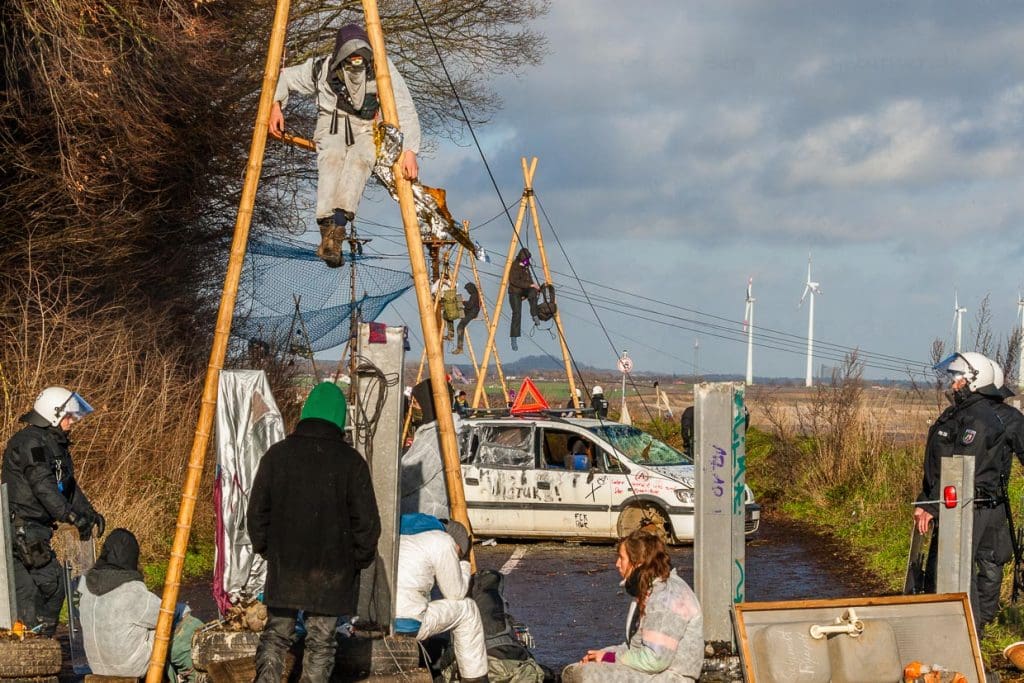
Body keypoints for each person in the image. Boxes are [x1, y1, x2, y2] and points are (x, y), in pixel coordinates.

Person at [248, 382, 382, 682]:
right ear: (339, 419)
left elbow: (256, 515)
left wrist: (270, 551)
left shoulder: (276, 456)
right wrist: (354, 562)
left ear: (307, 412)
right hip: (332, 573)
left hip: (286, 569)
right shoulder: (352, 463)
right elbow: (368, 526)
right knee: (321, 642)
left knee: (276, 635)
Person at [270, 23, 420, 267]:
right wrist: (276, 105)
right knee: (332, 158)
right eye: (351, 56)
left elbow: (404, 107)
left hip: (366, 126)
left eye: (361, 55)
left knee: (360, 161)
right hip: (332, 123)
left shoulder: (382, 68)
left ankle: (337, 232)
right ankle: (326, 232)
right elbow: (284, 76)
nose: (356, 61)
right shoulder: (322, 68)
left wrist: (410, 150)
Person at [914, 352, 1009, 635]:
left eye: (957, 377)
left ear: (973, 381)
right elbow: (937, 464)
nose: (952, 383)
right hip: (951, 502)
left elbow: (960, 467)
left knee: (959, 573)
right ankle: (946, 630)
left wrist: (931, 506)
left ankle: (969, 638)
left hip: (968, 505)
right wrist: (926, 500)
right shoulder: (958, 413)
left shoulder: (978, 421)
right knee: (944, 570)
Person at [1, 386, 104, 635]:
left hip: (35, 530)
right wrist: (69, 516)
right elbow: (43, 486)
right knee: (53, 583)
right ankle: (39, 640)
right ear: (53, 415)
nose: (72, 422)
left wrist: (89, 513)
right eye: (69, 416)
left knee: (30, 592)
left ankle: (30, 641)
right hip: (21, 528)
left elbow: (67, 486)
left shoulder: (54, 445)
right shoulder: (30, 444)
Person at [562, 530, 703, 682]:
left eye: (621, 558)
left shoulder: (666, 597)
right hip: (654, 672)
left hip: (671, 677)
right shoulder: (649, 590)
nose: (617, 564)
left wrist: (610, 657)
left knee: (585, 675)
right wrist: (602, 655)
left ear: (638, 563)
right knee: (573, 670)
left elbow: (655, 660)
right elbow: (635, 647)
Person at [78, 528, 203, 679]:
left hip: (97, 667)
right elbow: (166, 613)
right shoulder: (131, 591)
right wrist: (185, 610)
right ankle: (195, 677)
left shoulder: (86, 590)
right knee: (186, 626)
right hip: (130, 668)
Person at [395, 513, 489, 683]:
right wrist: (464, 563)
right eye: (458, 552)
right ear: (456, 543)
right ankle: (475, 679)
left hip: (372, 621)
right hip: (407, 624)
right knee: (468, 609)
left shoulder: (392, 531)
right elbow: (456, 593)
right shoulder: (442, 541)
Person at [508, 248, 540, 351]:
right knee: (517, 314)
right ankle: (514, 338)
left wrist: (534, 286)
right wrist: (529, 284)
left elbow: (529, 280)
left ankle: (534, 314)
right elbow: (514, 281)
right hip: (515, 292)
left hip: (524, 290)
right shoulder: (515, 266)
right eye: (526, 259)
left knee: (533, 292)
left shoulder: (526, 267)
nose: (527, 261)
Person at [454, 283, 481, 355]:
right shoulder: (474, 295)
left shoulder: (474, 295)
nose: (468, 291)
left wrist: (462, 302)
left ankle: (459, 347)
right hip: (470, 312)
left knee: (460, 327)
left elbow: (469, 305)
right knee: (459, 323)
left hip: (472, 313)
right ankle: (459, 347)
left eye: (468, 290)